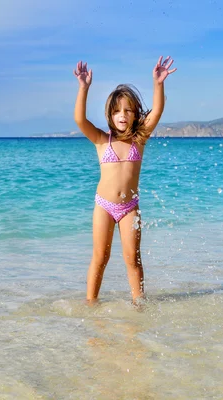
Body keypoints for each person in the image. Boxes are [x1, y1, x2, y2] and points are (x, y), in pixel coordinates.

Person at [73, 56, 177, 305]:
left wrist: (158, 83)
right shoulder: (101, 140)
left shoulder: (139, 140)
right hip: (104, 207)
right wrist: (83, 88)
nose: (122, 115)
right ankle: (91, 303)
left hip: (129, 207)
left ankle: (139, 305)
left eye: (128, 110)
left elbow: (158, 110)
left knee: (133, 258)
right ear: (110, 114)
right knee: (100, 257)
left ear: (135, 114)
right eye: (117, 110)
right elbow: (80, 120)